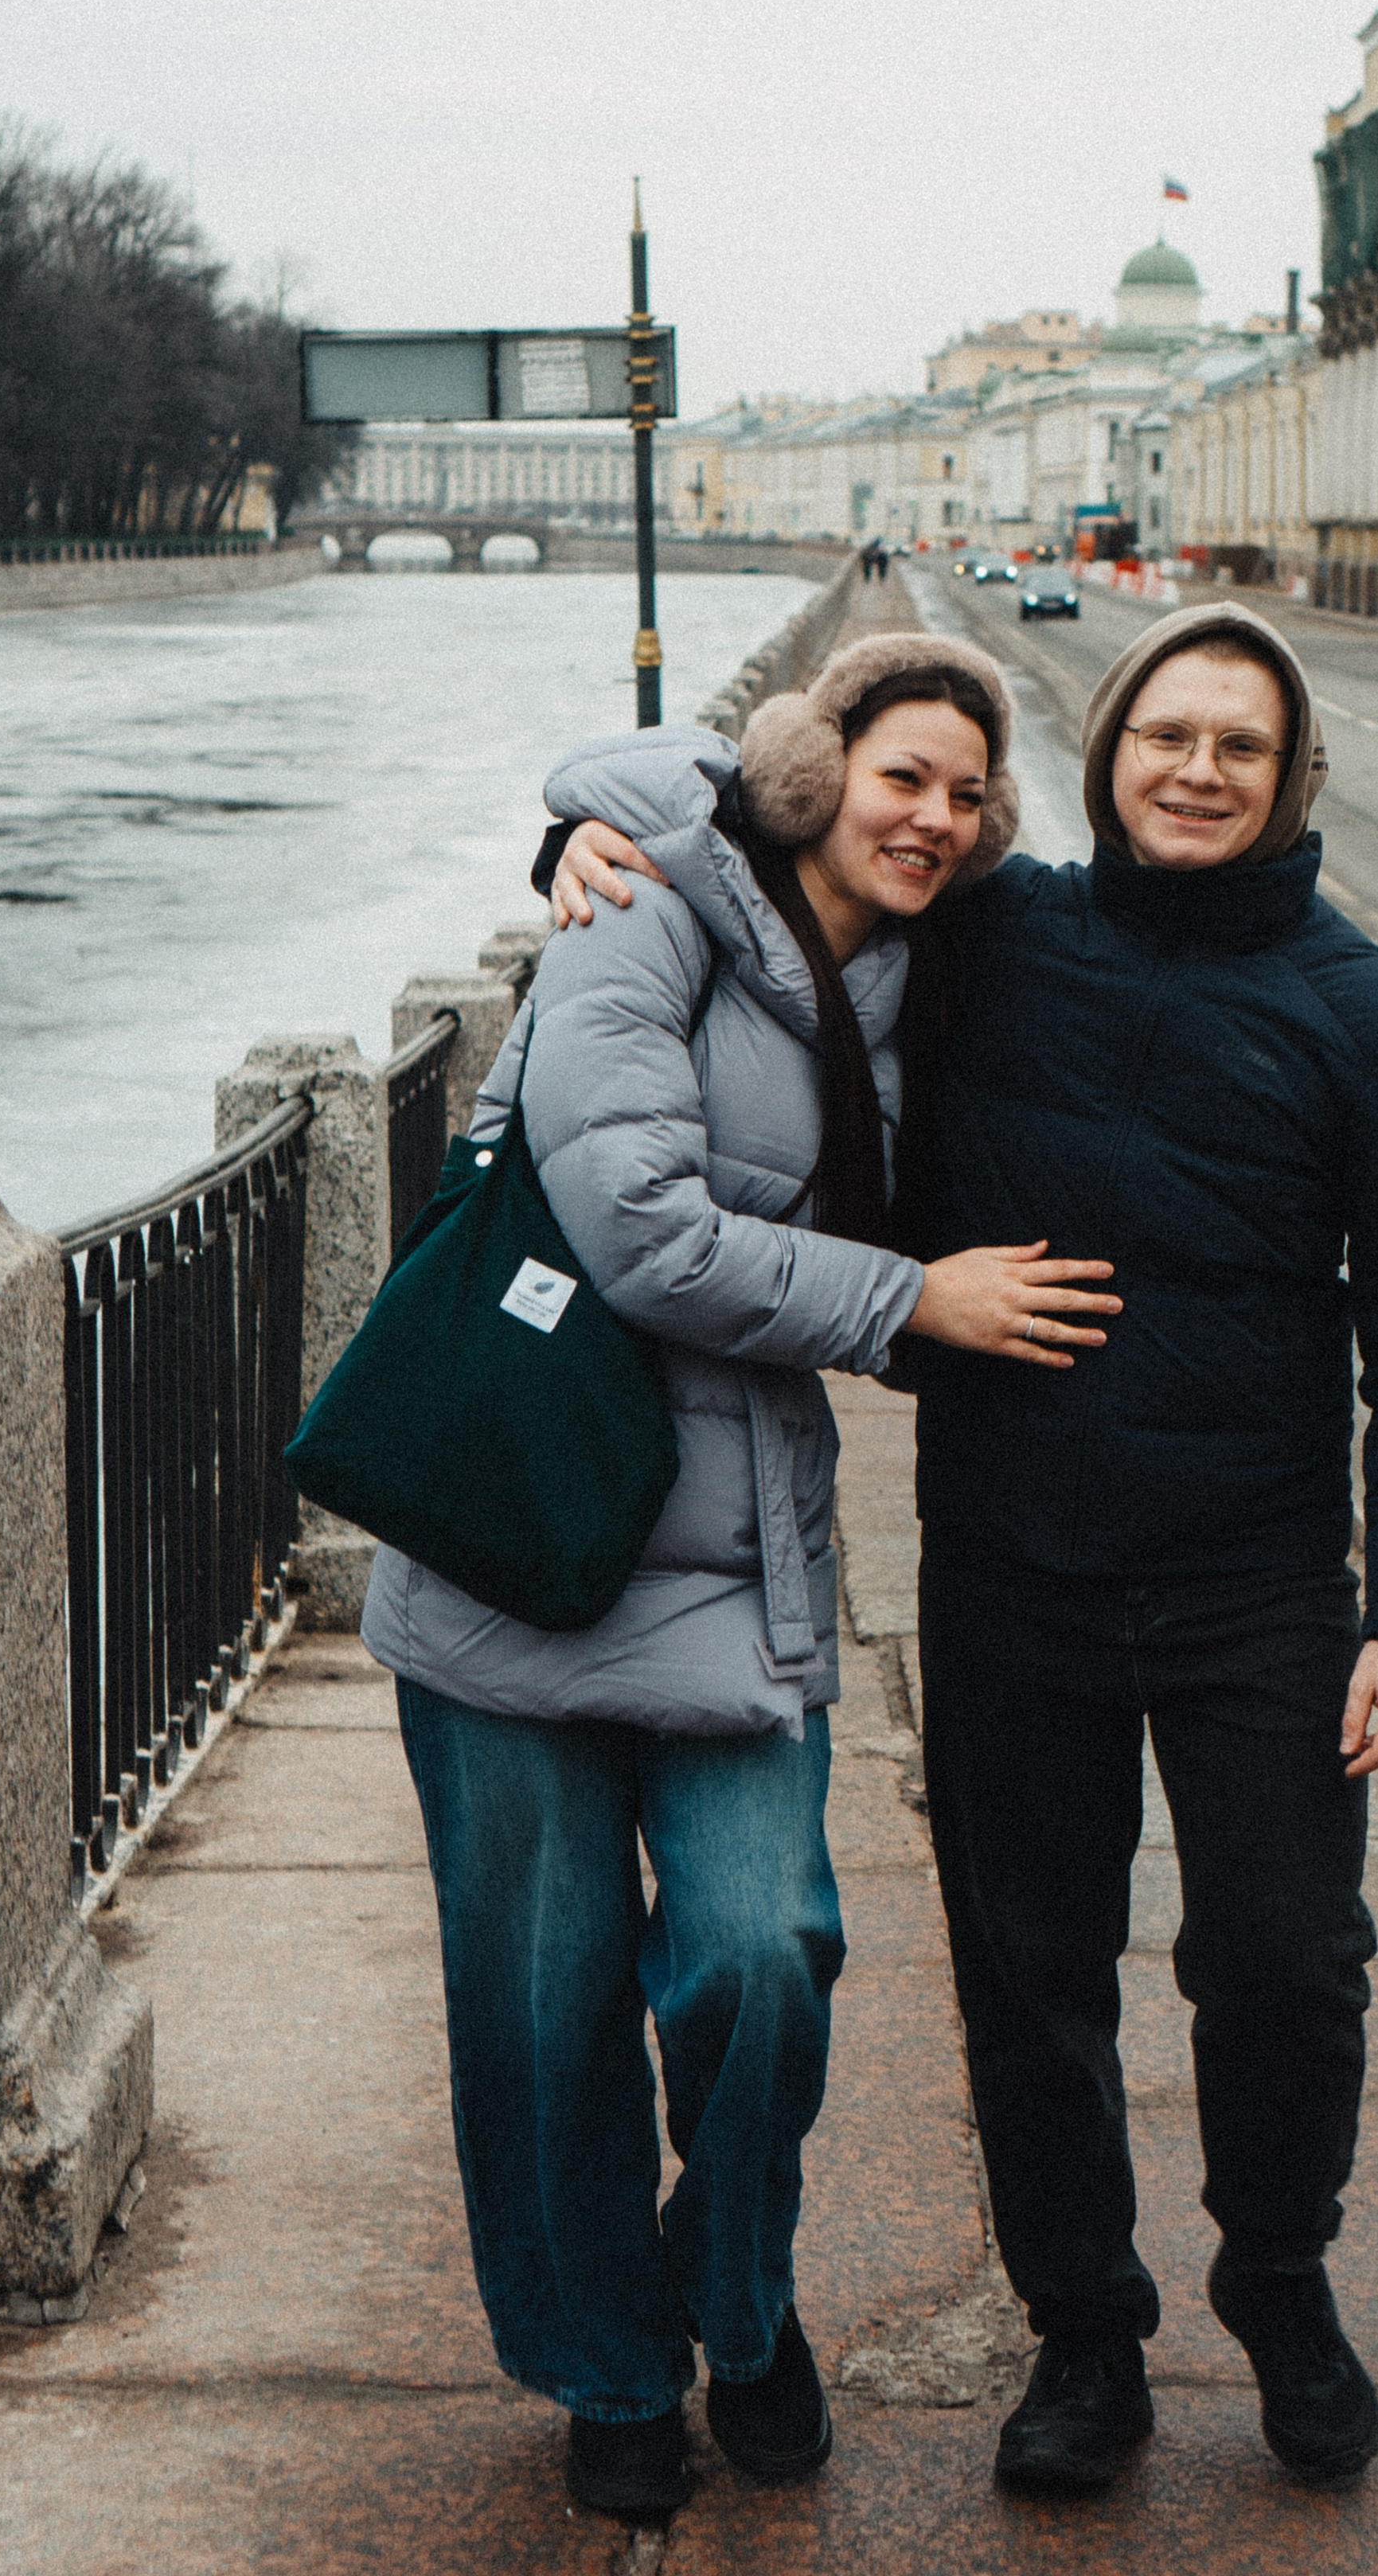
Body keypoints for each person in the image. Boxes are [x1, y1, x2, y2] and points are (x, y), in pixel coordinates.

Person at [543, 601, 1378, 2501]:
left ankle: (1281, 2281)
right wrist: (581, 836)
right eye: (1167, 736)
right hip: (1014, 1563)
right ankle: (1084, 2335)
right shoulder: (995, 933)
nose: (1197, 770)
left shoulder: (1370, 1019)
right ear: (1106, 757)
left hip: (1256, 1582)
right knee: (1029, 1969)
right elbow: (767, 844)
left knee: (1289, 1961)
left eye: (1239, 744)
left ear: (1288, 774)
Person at [361, 631, 1121, 2527]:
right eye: (901, 777)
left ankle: (741, 2299)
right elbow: (632, 1230)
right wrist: (906, 1300)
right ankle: (614, 2366)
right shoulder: (648, 916)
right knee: (541, 2013)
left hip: (740, 1554)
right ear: (811, 768)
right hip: (521, 1532)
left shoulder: (926, 970)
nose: (932, 817)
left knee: (763, 1959)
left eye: (968, 792)